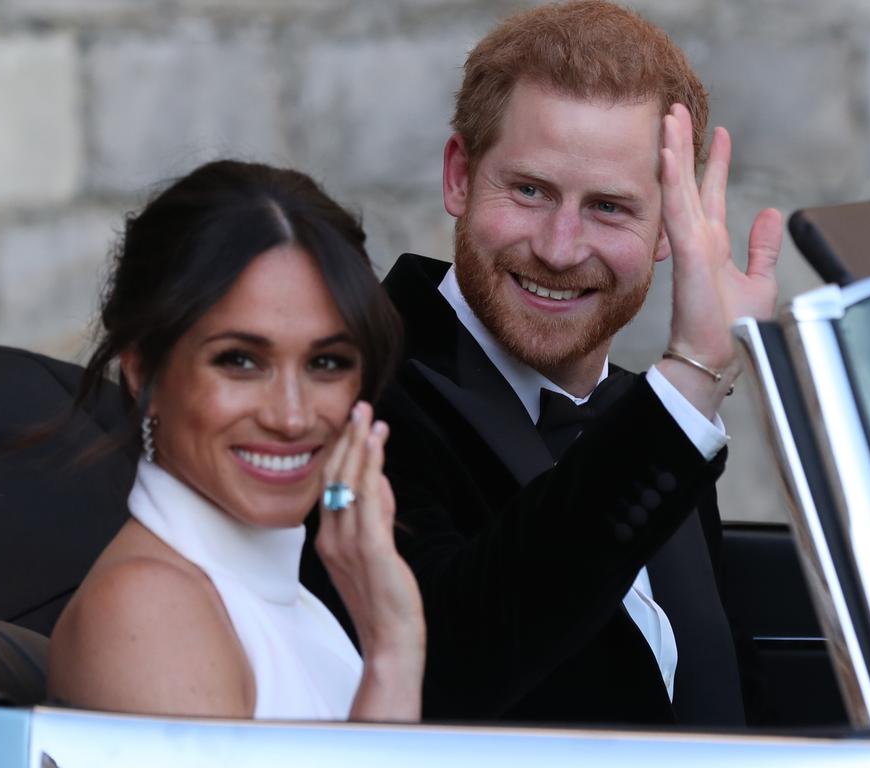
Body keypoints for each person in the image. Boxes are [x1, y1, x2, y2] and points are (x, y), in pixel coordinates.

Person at [299, 1, 782, 727]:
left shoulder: (648, 417)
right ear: (460, 176)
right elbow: (443, 670)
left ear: (665, 230)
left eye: (610, 208)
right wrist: (690, 381)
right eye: (529, 190)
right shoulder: (353, 387)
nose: (559, 247)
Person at [46, 160, 425, 721]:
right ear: (141, 369)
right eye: (241, 361)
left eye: (326, 362)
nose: (292, 417)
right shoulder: (148, 610)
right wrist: (393, 656)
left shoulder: (289, 602)